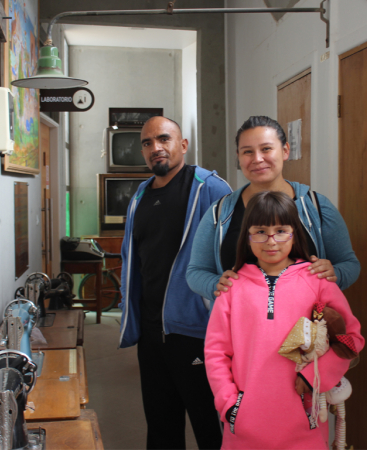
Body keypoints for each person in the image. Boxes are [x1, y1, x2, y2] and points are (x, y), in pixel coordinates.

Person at [204, 191, 364, 449]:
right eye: (260, 231)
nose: (271, 241)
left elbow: (352, 340)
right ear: (247, 236)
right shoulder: (232, 287)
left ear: (294, 234)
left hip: (305, 425)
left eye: (281, 231)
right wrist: (229, 407)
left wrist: (315, 377)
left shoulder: (317, 281)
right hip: (244, 427)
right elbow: (216, 352)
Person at [118, 116, 232, 449]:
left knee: (211, 429)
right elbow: (133, 258)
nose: (156, 148)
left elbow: (233, 258)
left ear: (182, 145)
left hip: (196, 333)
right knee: (161, 428)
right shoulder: (140, 195)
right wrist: (130, 309)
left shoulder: (209, 188)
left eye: (164, 139)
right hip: (153, 335)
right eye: (147, 143)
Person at [186, 115, 360, 304]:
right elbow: (196, 271)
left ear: (285, 151)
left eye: (266, 149)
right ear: (238, 157)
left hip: (305, 327)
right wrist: (217, 285)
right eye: (247, 152)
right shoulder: (220, 212)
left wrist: (335, 274)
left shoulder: (316, 207)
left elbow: (349, 264)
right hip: (240, 327)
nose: (257, 159)